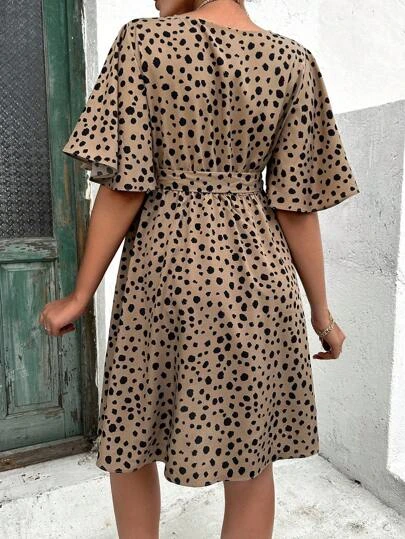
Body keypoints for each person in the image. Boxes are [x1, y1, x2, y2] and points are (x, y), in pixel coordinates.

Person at [39, 0, 360, 537]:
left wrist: (79, 295)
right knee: (251, 457)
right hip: (260, 279)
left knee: (131, 435)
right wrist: (321, 315)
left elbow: (125, 187)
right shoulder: (294, 61)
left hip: (164, 277)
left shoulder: (143, 42)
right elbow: (296, 205)